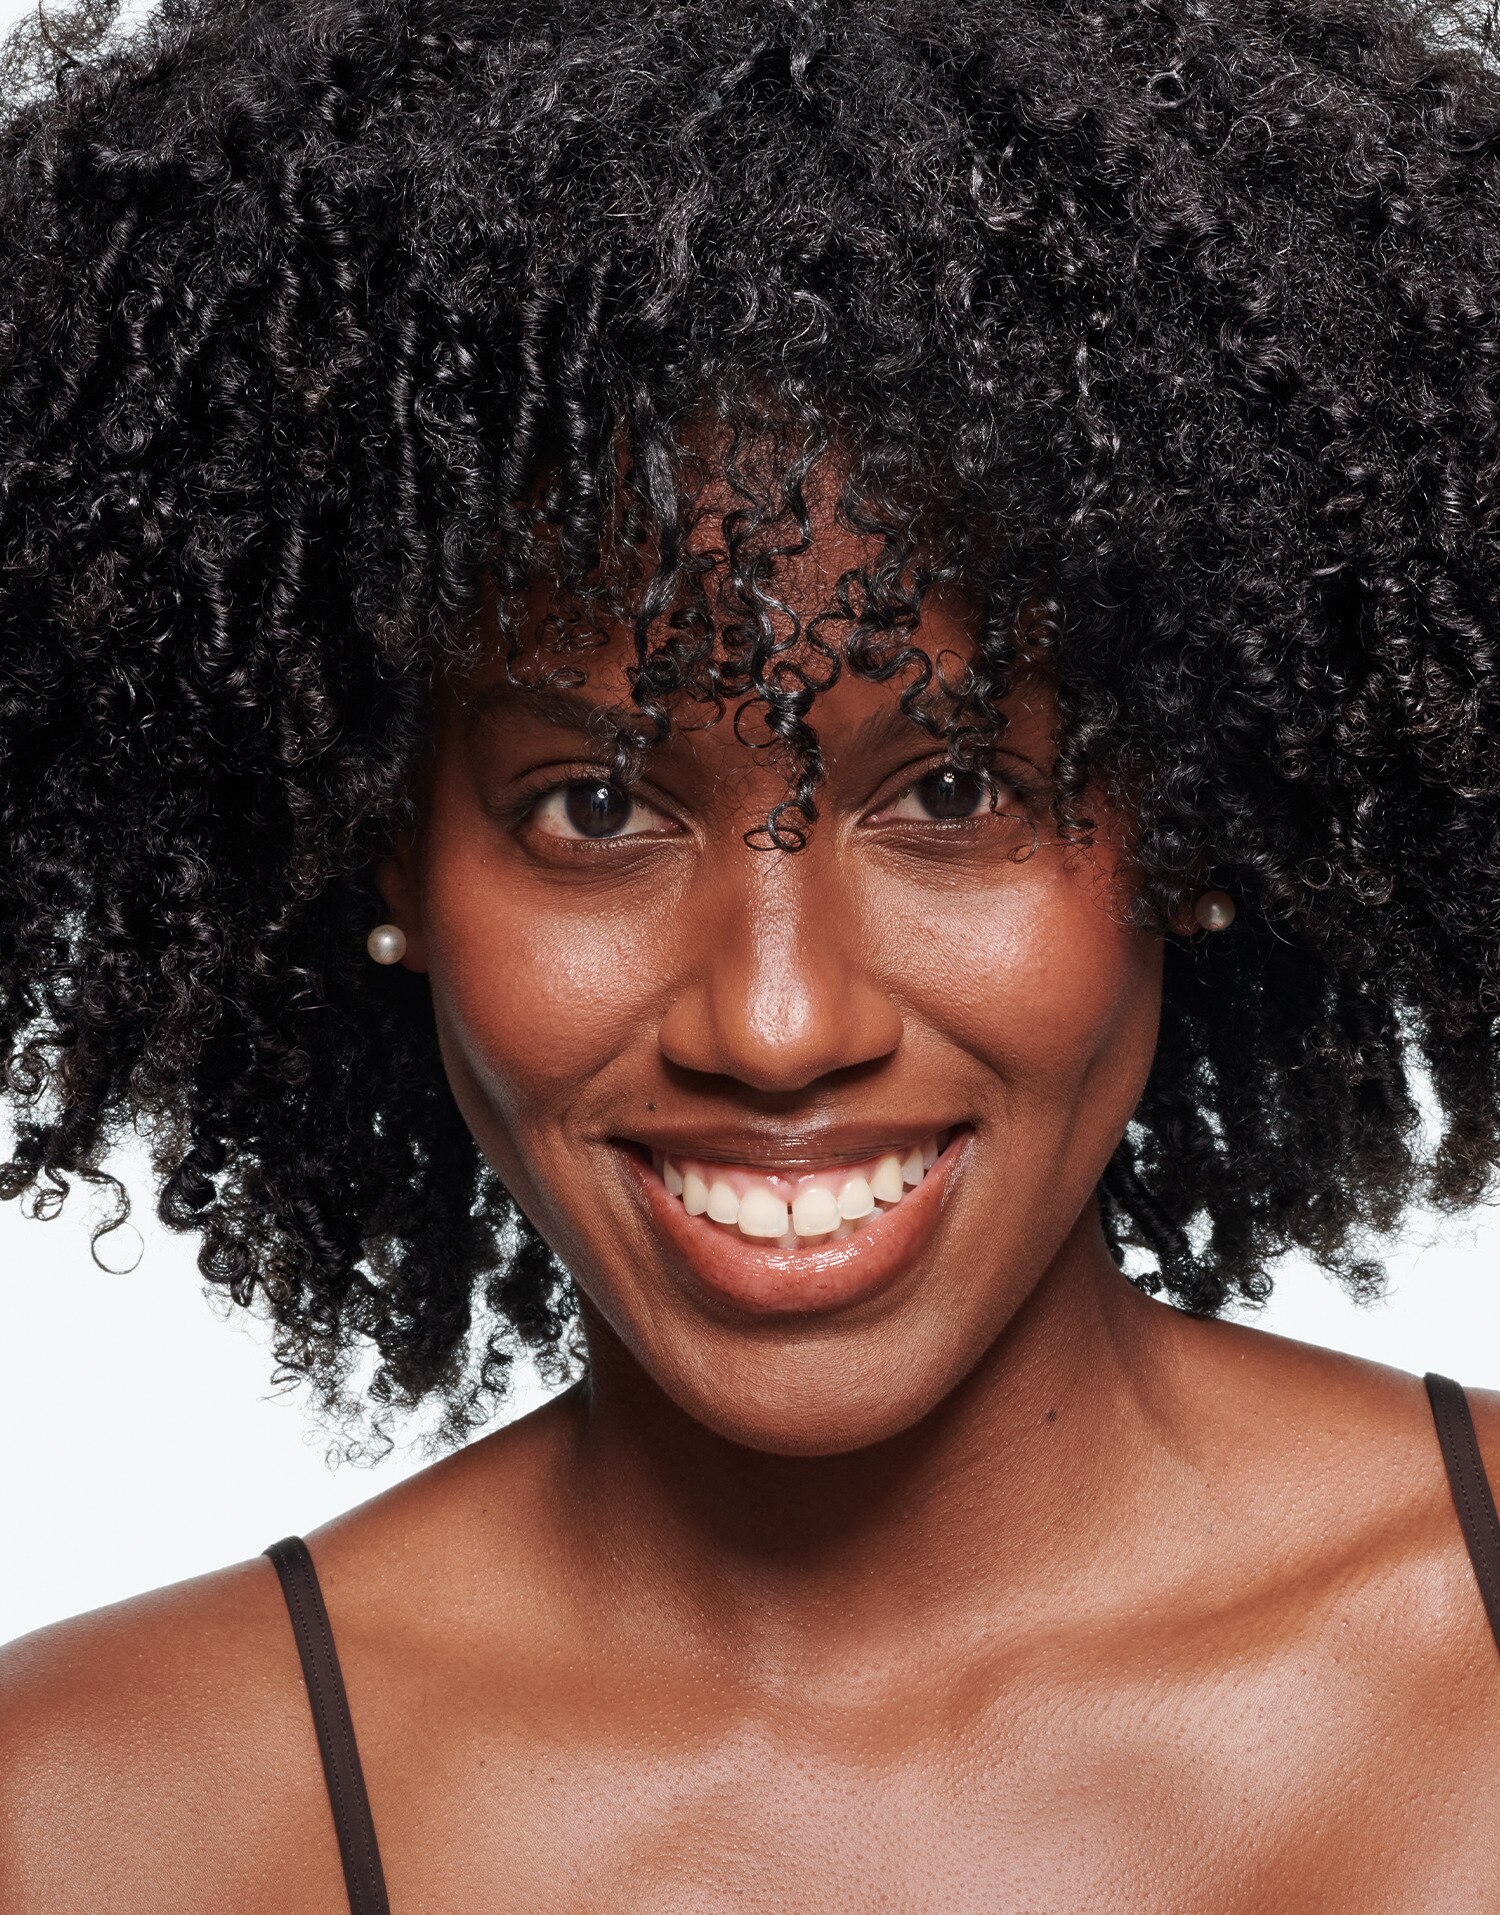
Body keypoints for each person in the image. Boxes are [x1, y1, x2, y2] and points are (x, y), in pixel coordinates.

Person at [3, 0, 1500, 1903]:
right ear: (384, 857)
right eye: (593, 811)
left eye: (951, 793)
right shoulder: (98, 1826)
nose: (778, 1024)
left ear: (1193, 820)